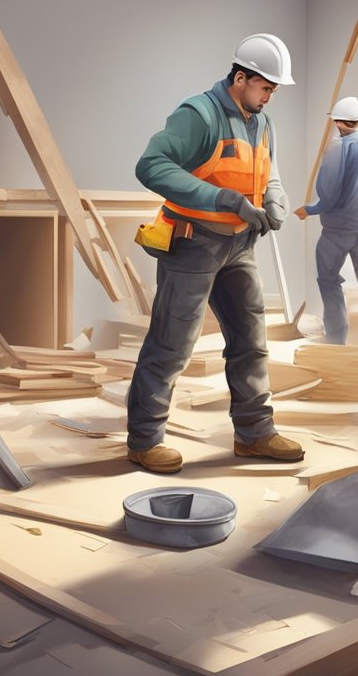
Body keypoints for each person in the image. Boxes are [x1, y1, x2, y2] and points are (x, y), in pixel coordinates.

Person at [125, 33, 303, 473]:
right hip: (193, 244)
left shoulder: (262, 120)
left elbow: (269, 170)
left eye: (274, 90)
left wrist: (274, 198)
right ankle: (145, 440)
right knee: (172, 344)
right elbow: (151, 166)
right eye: (264, 87)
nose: (269, 97)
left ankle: (255, 434)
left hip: (239, 246)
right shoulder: (198, 114)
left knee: (250, 342)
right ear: (240, 77)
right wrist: (224, 200)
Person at [293, 96, 358, 345]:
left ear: (337, 122)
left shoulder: (339, 148)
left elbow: (329, 193)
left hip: (338, 230)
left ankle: (336, 337)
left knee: (328, 279)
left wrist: (310, 209)